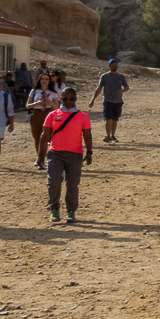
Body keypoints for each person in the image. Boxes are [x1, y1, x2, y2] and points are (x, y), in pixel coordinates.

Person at [38, 86, 92, 224]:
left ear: (76, 99)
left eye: (72, 99)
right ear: (61, 99)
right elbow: (45, 136)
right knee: (54, 181)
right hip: (55, 153)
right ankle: (54, 208)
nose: (69, 102)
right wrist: (40, 155)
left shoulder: (83, 116)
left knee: (72, 184)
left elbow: (87, 135)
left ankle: (71, 211)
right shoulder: (52, 115)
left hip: (75, 154)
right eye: (65, 99)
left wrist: (89, 152)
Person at [88, 59, 130, 143]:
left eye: (116, 65)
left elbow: (127, 87)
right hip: (108, 101)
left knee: (115, 119)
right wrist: (93, 99)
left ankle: (113, 136)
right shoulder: (104, 76)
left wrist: (123, 90)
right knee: (108, 118)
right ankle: (108, 136)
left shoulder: (121, 76)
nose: (115, 67)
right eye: (113, 65)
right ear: (109, 66)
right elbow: (99, 88)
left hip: (118, 101)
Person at [27, 71, 61, 169]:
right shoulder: (34, 91)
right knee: (36, 136)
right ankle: (39, 157)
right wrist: (36, 103)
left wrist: (51, 103)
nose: (44, 81)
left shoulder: (53, 93)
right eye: (42, 79)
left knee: (46, 136)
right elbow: (27, 106)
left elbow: (57, 108)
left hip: (48, 114)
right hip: (36, 114)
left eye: (46, 79)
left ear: (49, 81)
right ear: (39, 80)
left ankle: (44, 159)